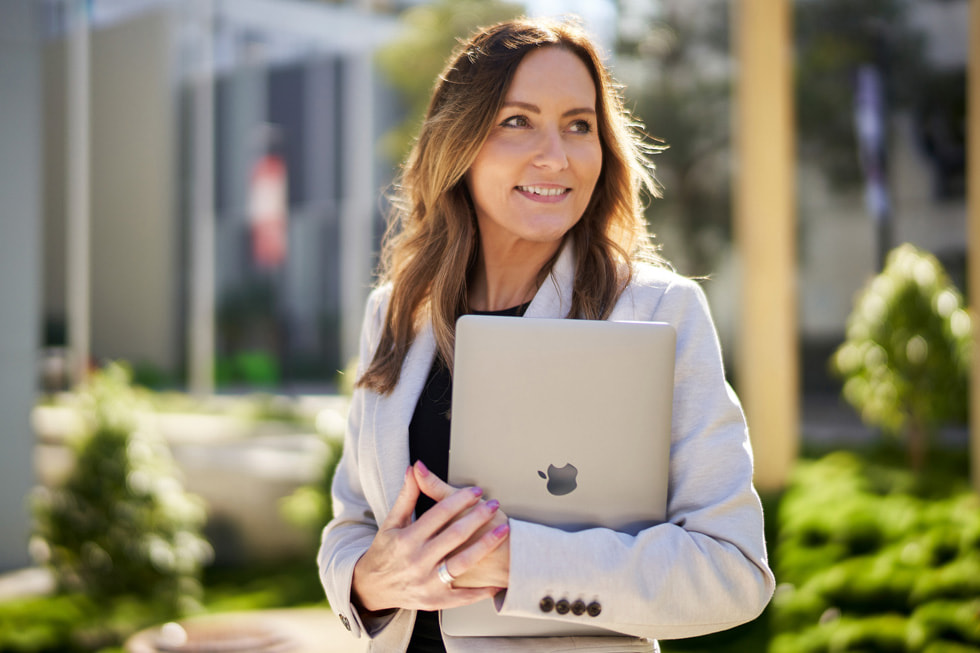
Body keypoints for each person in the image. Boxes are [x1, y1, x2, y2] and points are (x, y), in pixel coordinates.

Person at [318, 16, 775, 653]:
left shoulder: (658, 312)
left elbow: (731, 573)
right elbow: (353, 522)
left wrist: (516, 564)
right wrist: (367, 581)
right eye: (517, 121)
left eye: (579, 125)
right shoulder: (397, 311)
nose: (556, 157)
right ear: (460, 143)